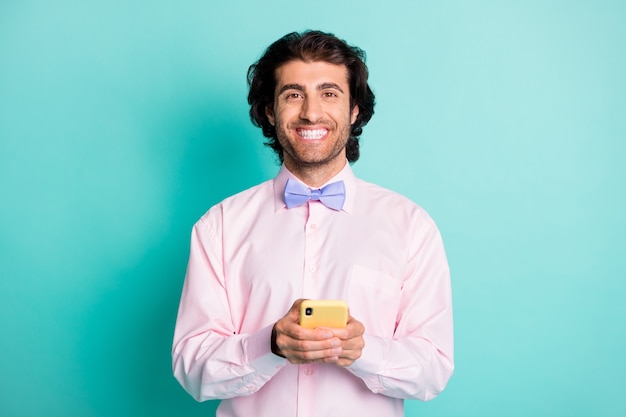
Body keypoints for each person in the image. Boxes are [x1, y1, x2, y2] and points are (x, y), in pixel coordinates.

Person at [172, 30, 454, 417]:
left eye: (329, 93)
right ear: (270, 111)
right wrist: (268, 345)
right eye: (293, 94)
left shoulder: (411, 226)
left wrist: (363, 351)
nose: (310, 112)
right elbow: (192, 368)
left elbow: (433, 369)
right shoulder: (220, 226)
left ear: (354, 109)